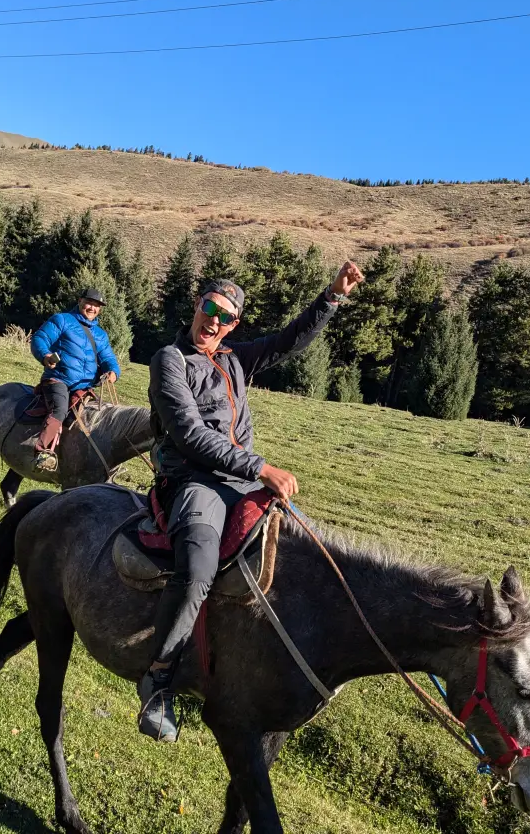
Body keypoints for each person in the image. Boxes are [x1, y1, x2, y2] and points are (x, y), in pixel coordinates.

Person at [140, 261, 365, 741]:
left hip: (240, 482)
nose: (214, 321)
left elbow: (290, 341)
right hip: (193, 481)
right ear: (197, 305)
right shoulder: (170, 361)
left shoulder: (236, 359)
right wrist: (261, 468)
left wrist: (332, 296)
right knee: (198, 569)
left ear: (234, 325)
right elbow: (189, 435)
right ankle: (159, 680)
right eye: (210, 308)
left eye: (225, 316)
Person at [29, 288, 121, 472]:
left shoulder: (101, 335)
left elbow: (108, 358)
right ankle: (42, 453)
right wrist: (45, 355)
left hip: (85, 386)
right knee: (60, 409)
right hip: (58, 379)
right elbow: (40, 338)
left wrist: (113, 371)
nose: (92, 308)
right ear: (80, 301)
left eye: (97, 306)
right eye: (89, 303)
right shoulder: (62, 320)